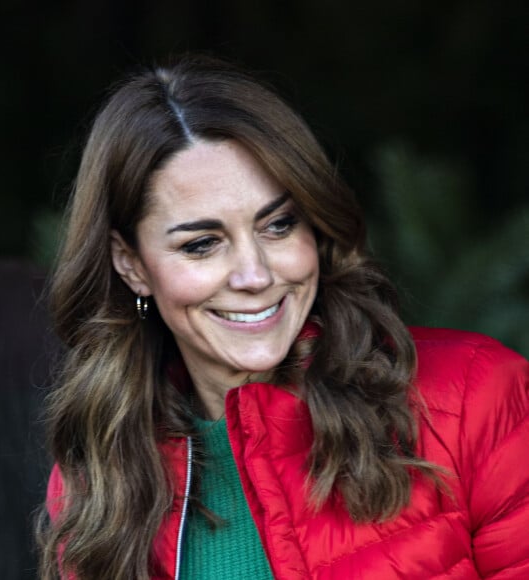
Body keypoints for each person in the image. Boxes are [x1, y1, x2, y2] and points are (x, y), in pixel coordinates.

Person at [38, 55, 529, 580]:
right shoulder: (96, 481)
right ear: (131, 265)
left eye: (278, 225)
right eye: (202, 244)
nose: (254, 274)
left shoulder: (478, 399)